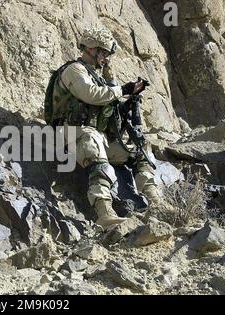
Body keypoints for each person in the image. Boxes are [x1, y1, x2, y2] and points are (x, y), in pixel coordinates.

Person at [51, 28, 166, 230]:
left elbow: (105, 103)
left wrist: (127, 98)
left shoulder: (97, 76)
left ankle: (156, 203)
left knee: (139, 148)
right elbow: (91, 94)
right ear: (92, 49)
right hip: (71, 132)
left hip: (97, 135)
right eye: (104, 53)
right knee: (92, 141)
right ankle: (105, 213)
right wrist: (122, 89)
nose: (106, 58)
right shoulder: (74, 70)